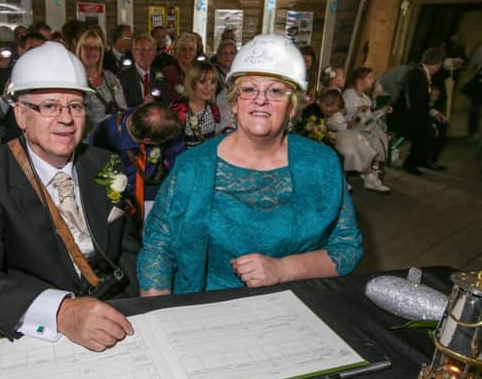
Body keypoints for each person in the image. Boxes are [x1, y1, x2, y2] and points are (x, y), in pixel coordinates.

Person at [0, 42, 140, 351]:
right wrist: (60, 312)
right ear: (21, 114)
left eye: (75, 106)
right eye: (49, 106)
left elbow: (129, 249)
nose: (66, 119)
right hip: (40, 334)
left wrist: (131, 307)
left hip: (114, 319)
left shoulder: (104, 163)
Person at [137, 34, 362, 295]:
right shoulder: (193, 167)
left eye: (276, 91)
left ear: (292, 107)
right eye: (249, 89)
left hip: (297, 303)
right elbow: (157, 246)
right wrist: (161, 314)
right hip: (207, 307)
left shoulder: (322, 164)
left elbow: (347, 249)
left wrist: (282, 269)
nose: (260, 99)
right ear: (233, 102)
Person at [89, 102, 185, 223]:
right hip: (122, 199)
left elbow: (178, 159)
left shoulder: (167, 126)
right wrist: (121, 201)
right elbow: (100, 178)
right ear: (147, 140)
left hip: (154, 192)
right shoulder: (104, 135)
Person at [0, 32, 46, 148]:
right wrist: (5, 99)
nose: (36, 54)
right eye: (31, 49)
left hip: (45, 141)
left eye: (41, 50)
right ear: (21, 51)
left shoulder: (53, 78)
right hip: (11, 141)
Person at [398, 47, 446, 175]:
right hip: (403, 116)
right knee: (427, 129)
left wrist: (435, 113)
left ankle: (424, 159)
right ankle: (410, 163)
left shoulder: (422, 73)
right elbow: (415, 107)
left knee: (442, 124)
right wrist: (431, 124)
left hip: (414, 113)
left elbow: (422, 104)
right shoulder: (416, 75)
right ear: (437, 64)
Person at [344, 67, 391, 192]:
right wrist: (359, 109)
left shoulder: (366, 98)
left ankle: (371, 175)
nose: (373, 80)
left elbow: (370, 117)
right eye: (369, 78)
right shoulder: (349, 94)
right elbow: (346, 114)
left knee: (380, 135)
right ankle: (369, 175)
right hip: (351, 129)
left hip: (364, 128)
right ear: (360, 81)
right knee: (371, 138)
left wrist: (382, 110)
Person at [75, 29, 127, 132]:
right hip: (85, 139)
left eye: (96, 48)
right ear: (80, 49)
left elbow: (122, 107)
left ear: (101, 52)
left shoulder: (110, 77)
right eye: (87, 47)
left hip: (111, 137)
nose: (91, 51)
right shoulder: (72, 79)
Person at [170, 60, 223, 148]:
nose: (209, 87)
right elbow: (171, 148)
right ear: (191, 83)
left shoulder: (212, 108)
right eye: (202, 82)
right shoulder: (179, 110)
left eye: (212, 82)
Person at [118, 34, 167, 108]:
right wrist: (141, 107)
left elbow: (164, 101)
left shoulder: (160, 74)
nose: (145, 54)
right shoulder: (123, 77)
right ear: (133, 52)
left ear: (154, 54)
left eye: (150, 50)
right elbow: (122, 107)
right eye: (142, 49)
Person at [163, 32, 197, 102]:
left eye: (191, 49)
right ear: (176, 51)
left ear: (195, 52)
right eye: (183, 49)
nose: (187, 53)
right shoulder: (167, 72)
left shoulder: (199, 72)